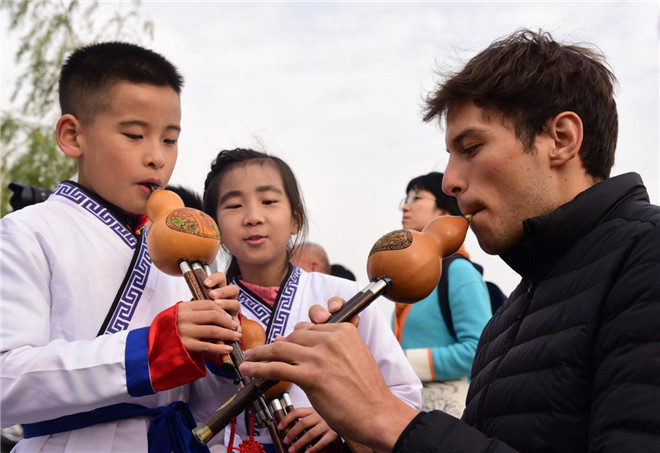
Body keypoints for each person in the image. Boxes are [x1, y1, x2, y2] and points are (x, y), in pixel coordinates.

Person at [238, 29, 660, 452]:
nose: (450, 181)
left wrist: (388, 416)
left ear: (561, 139)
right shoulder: (509, 317)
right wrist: (351, 425)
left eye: (472, 148)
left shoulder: (646, 256)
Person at [0, 42, 241, 453]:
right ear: (73, 135)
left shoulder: (182, 253)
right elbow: (6, 382)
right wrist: (148, 351)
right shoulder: (27, 231)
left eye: (170, 140)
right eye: (134, 135)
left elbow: (203, 410)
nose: (157, 159)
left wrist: (218, 361)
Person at [202, 148, 422, 452]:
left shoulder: (347, 298)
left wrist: (343, 420)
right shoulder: (207, 309)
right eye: (235, 205)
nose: (253, 217)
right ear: (216, 227)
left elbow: (405, 393)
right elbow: (196, 410)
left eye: (268, 201)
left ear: (295, 220)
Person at [395, 171, 491, 416]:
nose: (405, 206)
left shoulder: (458, 271)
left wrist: (402, 362)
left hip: (448, 417)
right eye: (406, 198)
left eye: (417, 198)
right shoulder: (410, 277)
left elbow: (478, 350)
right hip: (413, 414)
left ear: (445, 213)